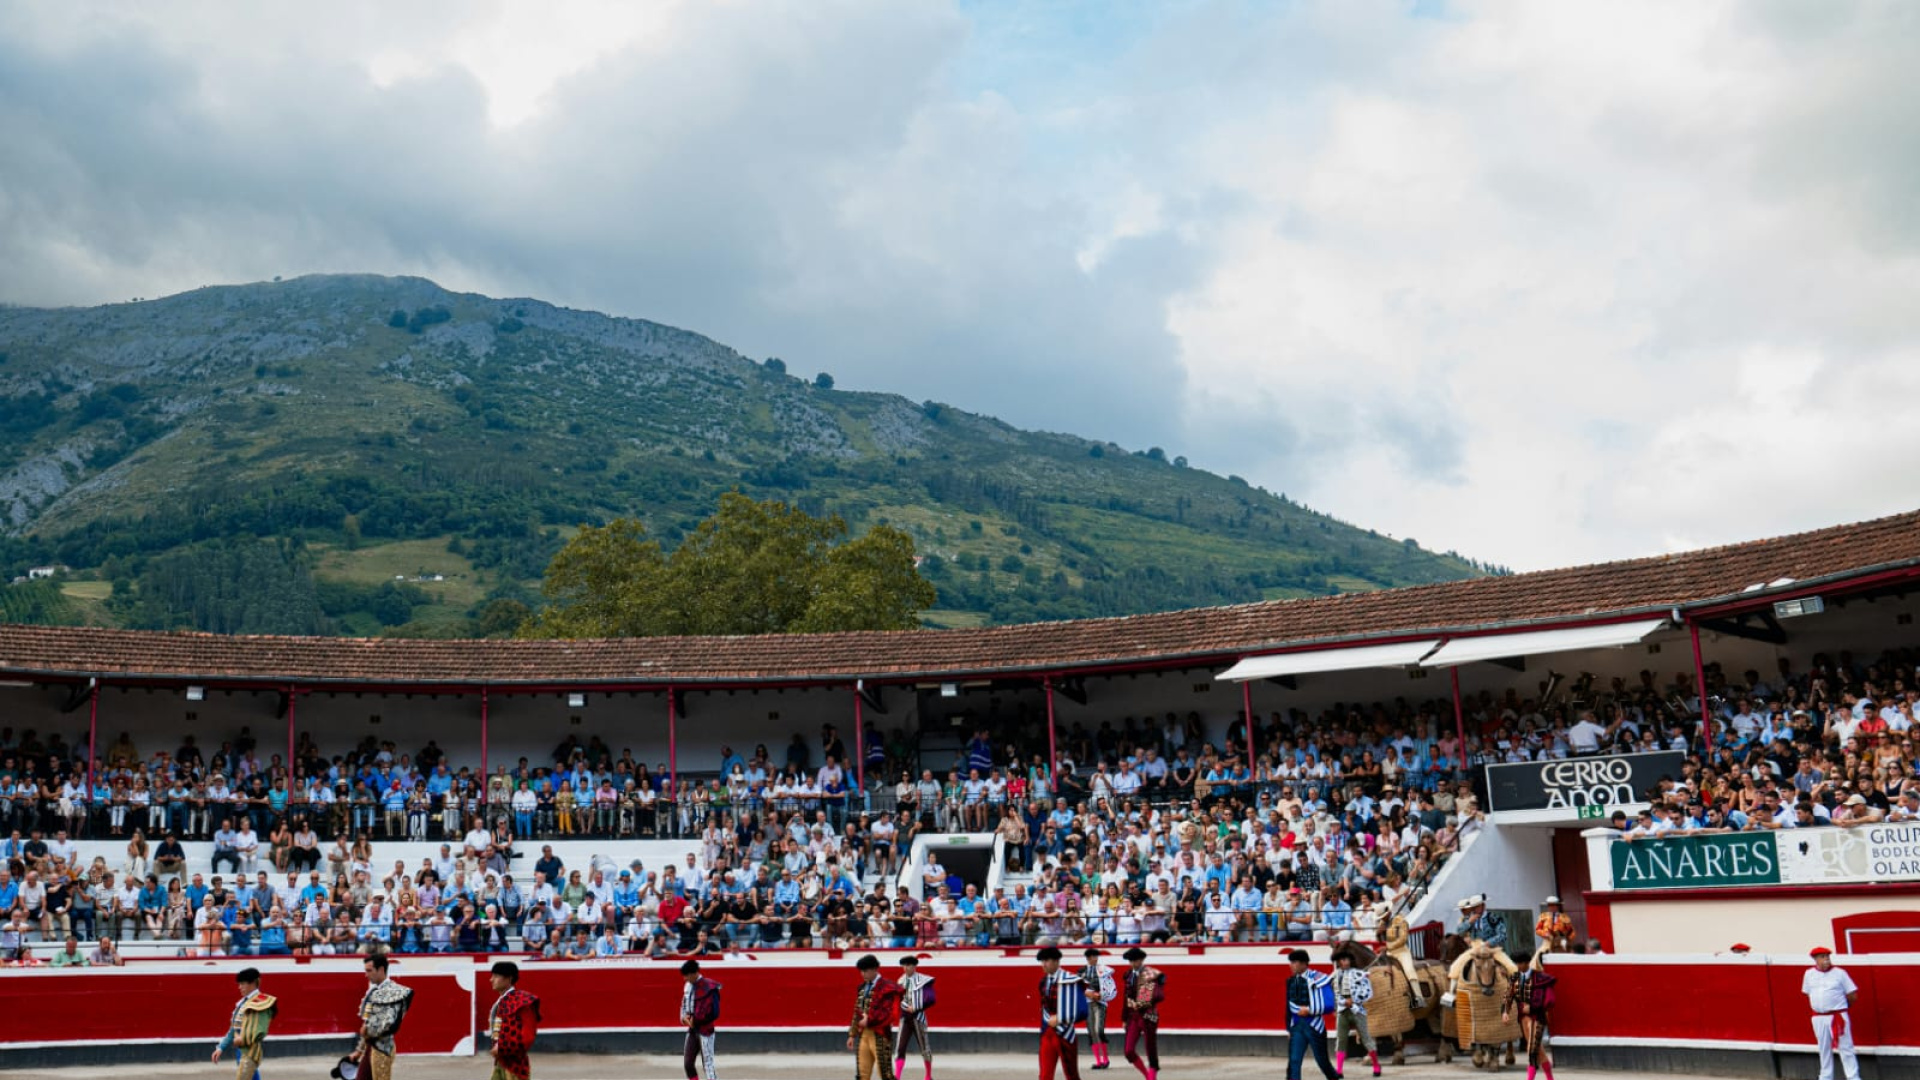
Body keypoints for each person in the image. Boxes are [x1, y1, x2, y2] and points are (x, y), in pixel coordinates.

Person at [354, 953, 414, 1080]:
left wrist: (367, 1030)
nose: (366, 974)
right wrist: (359, 1050)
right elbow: (366, 1022)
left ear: (381, 969)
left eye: (369, 970)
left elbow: (386, 1024)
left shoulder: (394, 992)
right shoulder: (372, 992)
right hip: (371, 1046)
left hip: (383, 1047)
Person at [1802, 947, 1859, 1080]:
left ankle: (1853, 1077)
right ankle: (1826, 1076)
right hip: (1818, 1017)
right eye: (1822, 956)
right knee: (1823, 1048)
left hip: (1838, 1015)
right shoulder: (1809, 974)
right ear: (1815, 959)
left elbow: (1852, 995)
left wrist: (1840, 1008)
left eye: (1827, 956)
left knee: (1846, 1047)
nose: (1826, 959)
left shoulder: (1840, 973)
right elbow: (1808, 993)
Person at [211, 966, 277, 1080]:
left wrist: (242, 1039)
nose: (239, 987)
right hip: (240, 1050)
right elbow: (234, 1029)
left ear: (252, 984)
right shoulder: (243, 1003)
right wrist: (220, 1048)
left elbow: (260, 1030)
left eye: (242, 984)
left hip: (250, 1050)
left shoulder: (260, 1001)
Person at [1284, 948, 1338, 1080]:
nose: (1291, 965)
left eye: (1294, 962)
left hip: (1314, 1025)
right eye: (1291, 962)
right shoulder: (1291, 981)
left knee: (1322, 1062)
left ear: (1304, 963)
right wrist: (1288, 1029)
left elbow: (1330, 1004)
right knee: (1294, 1062)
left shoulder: (1319, 978)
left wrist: (1309, 1010)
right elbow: (1288, 1007)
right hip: (1296, 1026)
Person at [1503, 950, 1556, 1080]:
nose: (1518, 966)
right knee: (1538, 1049)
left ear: (1527, 963)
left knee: (1532, 1048)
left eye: (1520, 963)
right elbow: (1508, 996)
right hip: (1523, 1018)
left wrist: (1532, 1007)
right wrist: (1505, 1011)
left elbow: (1547, 999)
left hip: (1537, 1017)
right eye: (1516, 963)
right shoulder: (1515, 977)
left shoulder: (1539, 977)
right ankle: (1550, 1078)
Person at [849, 954, 903, 1080]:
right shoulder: (862, 987)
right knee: (862, 1073)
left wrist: (869, 1020)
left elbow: (890, 1012)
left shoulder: (888, 987)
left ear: (874, 969)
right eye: (861, 971)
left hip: (881, 1035)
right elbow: (857, 1011)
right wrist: (852, 1034)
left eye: (865, 971)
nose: (862, 974)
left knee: (885, 1074)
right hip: (864, 1035)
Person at [1037, 945, 1086, 1080]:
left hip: (1065, 1033)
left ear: (1056, 962)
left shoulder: (1070, 980)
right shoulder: (1043, 982)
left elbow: (1082, 1010)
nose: (1044, 964)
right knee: (1044, 1075)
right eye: (1042, 961)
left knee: (1071, 1075)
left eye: (1047, 960)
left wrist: (1060, 1017)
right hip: (1048, 1033)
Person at [487, 960, 542, 1080]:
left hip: (516, 1065)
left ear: (509, 979)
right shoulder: (504, 1000)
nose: (491, 980)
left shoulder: (522, 1003)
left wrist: (502, 1047)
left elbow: (527, 1037)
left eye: (496, 976)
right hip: (501, 1061)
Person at [1330, 945, 1379, 1078]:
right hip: (1342, 1011)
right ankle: (1339, 1070)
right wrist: (1343, 1002)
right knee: (1341, 1040)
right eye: (1342, 960)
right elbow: (1334, 993)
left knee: (1366, 1038)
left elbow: (1368, 992)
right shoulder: (1335, 976)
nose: (1345, 962)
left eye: (1347, 959)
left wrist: (1355, 1000)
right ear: (1339, 962)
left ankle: (1376, 1065)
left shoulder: (1359, 974)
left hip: (1357, 1010)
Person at [1120, 947, 1164, 1080]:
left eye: (1135, 960)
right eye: (1130, 961)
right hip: (1133, 1016)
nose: (1133, 963)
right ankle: (1147, 1075)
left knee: (1150, 1048)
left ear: (1142, 960)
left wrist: (1140, 1003)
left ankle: (1152, 1076)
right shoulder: (1128, 975)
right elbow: (1125, 997)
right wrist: (1124, 1018)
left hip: (1148, 1015)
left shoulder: (1150, 974)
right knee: (1128, 1051)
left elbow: (1158, 995)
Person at [1374, 902, 1424, 1008]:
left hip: (1401, 951)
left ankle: (1419, 998)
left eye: (1383, 916)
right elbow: (1380, 940)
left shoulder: (1400, 920)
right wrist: (1378, 934)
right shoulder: (1382, 923)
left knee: (1409, 970)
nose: (1382, 918)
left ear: (1389, 913)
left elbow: (1402, 939)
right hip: (1388, 952)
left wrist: (1387, 946)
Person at [895, 953, 936, 1080]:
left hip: (918, 1017)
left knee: (924, 1048)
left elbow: (931, 998)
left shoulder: (924, 980)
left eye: (908, 965)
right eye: (904, 965)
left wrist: (917, 1007)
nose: (905, 968)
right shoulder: (901, 981)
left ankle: (928, 1076)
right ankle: (897, 1076)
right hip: (905, 1018)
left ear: (914, 966)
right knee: (900, 1048)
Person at [1453, 895, 1517, 976]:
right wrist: (1469, 922)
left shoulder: (1493, 918)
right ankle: (1453, 989)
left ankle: (1516, 987)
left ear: (1483, 906)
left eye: (1477, 907)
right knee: (1454, 968)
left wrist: (1488, 943)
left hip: (1492, 950)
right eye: (1473, 907)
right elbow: (1459, 932)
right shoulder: (1468, 918)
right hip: (1474, 950)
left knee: (1512, 968)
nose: (1474, 909)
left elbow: (1503, 935)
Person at [681, 959, 722, 1080]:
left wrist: (696, 1020)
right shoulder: (688, 986)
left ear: (694, 973)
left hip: (706, 1030)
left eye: (686, 975)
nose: (685, 979)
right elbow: (683, 1004)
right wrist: (684, 1017)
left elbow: (713, 1013)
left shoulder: (709, 987)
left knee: (708, 1065)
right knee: (688, 1064)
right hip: (693, 1030)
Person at [1081, 947, 1117, 1070]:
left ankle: (1105, 1059)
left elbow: (1111, 988)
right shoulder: (1081, 972)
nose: (1094, 959)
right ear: (1088, 958)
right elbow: (1077, 988)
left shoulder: (1104, 971)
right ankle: (1098, 1061)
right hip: (1087, 1004)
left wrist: (1102, 995)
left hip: (1100, 1003)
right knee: (1092, 1032)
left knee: (1098, 1030)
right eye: (1092, 957)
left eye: (1096, 956)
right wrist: (1087, 993)